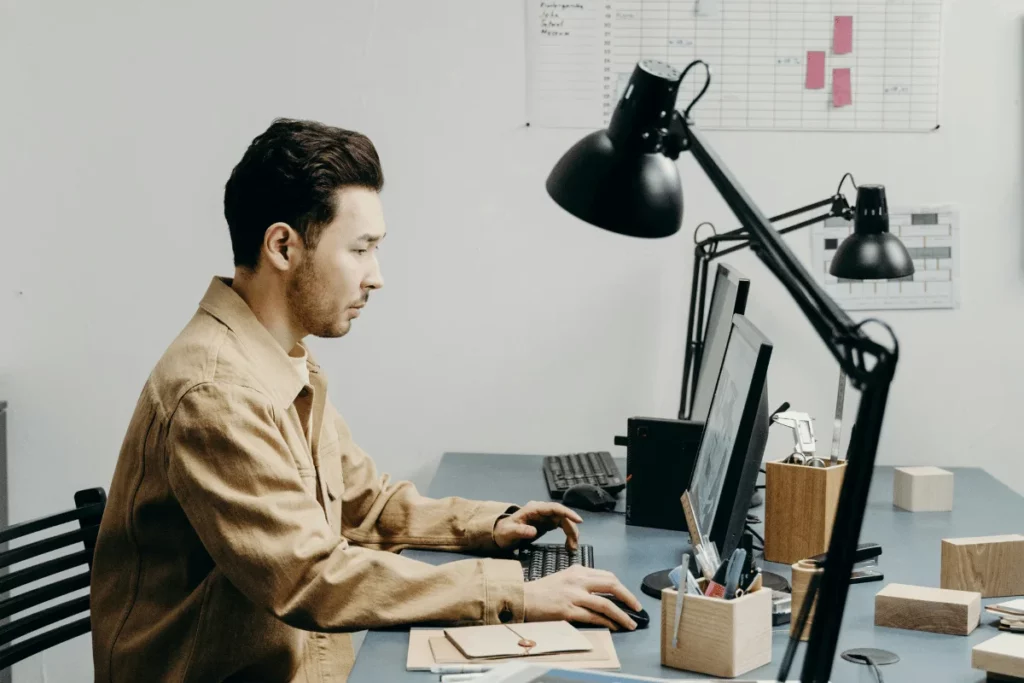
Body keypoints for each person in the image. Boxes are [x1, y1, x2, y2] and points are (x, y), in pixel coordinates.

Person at [89, 118, 642, 683]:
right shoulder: (217, 395)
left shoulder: (281, 360)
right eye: (361, 249)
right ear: (283, 245)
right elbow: (309, 577)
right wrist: (516, 591)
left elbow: (366, 505)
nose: (376, 277)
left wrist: (494, 526)